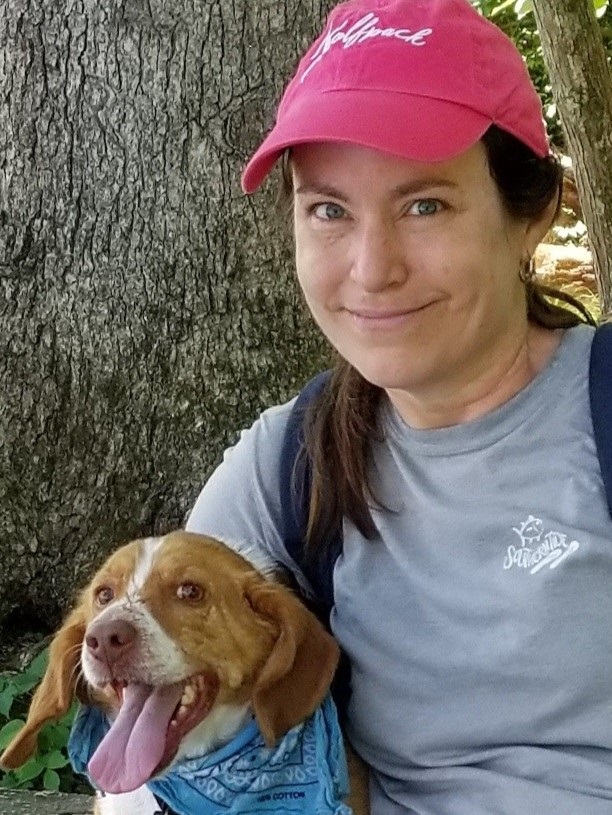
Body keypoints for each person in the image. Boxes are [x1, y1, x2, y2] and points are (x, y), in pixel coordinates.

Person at [186, 0, 612, 812]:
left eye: (426, 205)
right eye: (329, 210)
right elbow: (149, 718)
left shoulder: (602, 413)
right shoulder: (290, 463)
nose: (372, 268)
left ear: (534, 215)